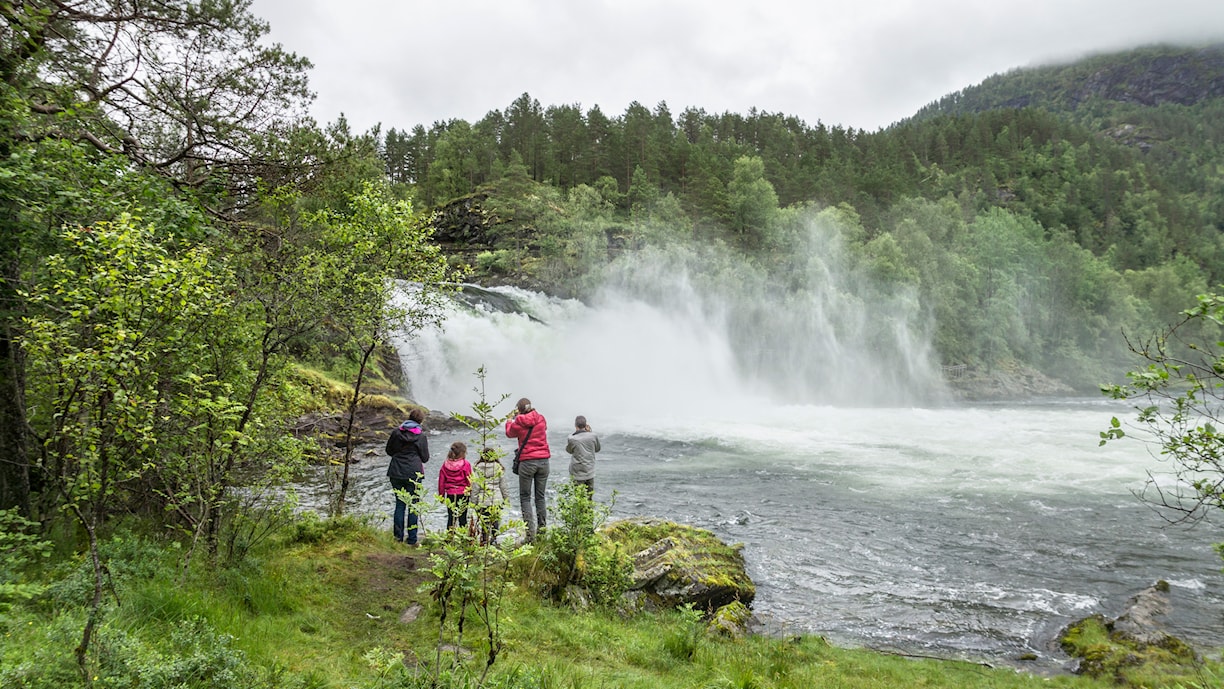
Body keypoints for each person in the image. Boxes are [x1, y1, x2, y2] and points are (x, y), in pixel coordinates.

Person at [505, 397, 549, 542]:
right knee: (540, 497)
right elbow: (544, 428)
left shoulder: (519, 422)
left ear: (519, 410)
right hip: (543, 461)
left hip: (527, 462)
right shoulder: (541, 418)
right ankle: (542, 531)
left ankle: (530, 536)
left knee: (525, 498)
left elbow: (509, 433)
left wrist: (509, 420)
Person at [385, 408, 429, 545]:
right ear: (421, 421)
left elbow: (388, 450)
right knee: (413, 506)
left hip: (396, 471)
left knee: (399, 504)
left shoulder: (396, 432)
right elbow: (425, 458)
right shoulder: (421, 436)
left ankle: (398, 538)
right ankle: (412, 539)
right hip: (414, 473)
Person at [471, 447, 511, 545]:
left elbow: (475, 486)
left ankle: (484, 540)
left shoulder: (478, 468)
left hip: (483, 500)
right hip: (496, 499)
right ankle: (494, 538)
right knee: (495, 520)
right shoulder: (498, 467)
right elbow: (503, 486)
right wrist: (506, 499)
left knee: (484, 521)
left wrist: (473, 502)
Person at [437, 441, 473, 531]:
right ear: (463, 453)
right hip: (463, 493)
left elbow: (441, 481)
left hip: (450, 494)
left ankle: (449, 538)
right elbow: (469, 479)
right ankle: (463, 538)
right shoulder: (466, 464)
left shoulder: (445, 465)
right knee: (463, 518)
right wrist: (471, 492)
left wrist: (441, 496)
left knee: (451, 517)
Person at [565, 415, 600, 496]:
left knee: (578, 497)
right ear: (586, 425)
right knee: (589, 497)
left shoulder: (572, 438)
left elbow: (569, 450)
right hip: (589, 471)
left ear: (576, 426)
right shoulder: (593, 436)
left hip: (577, 473)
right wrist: (589, 432)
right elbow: (597, 449)